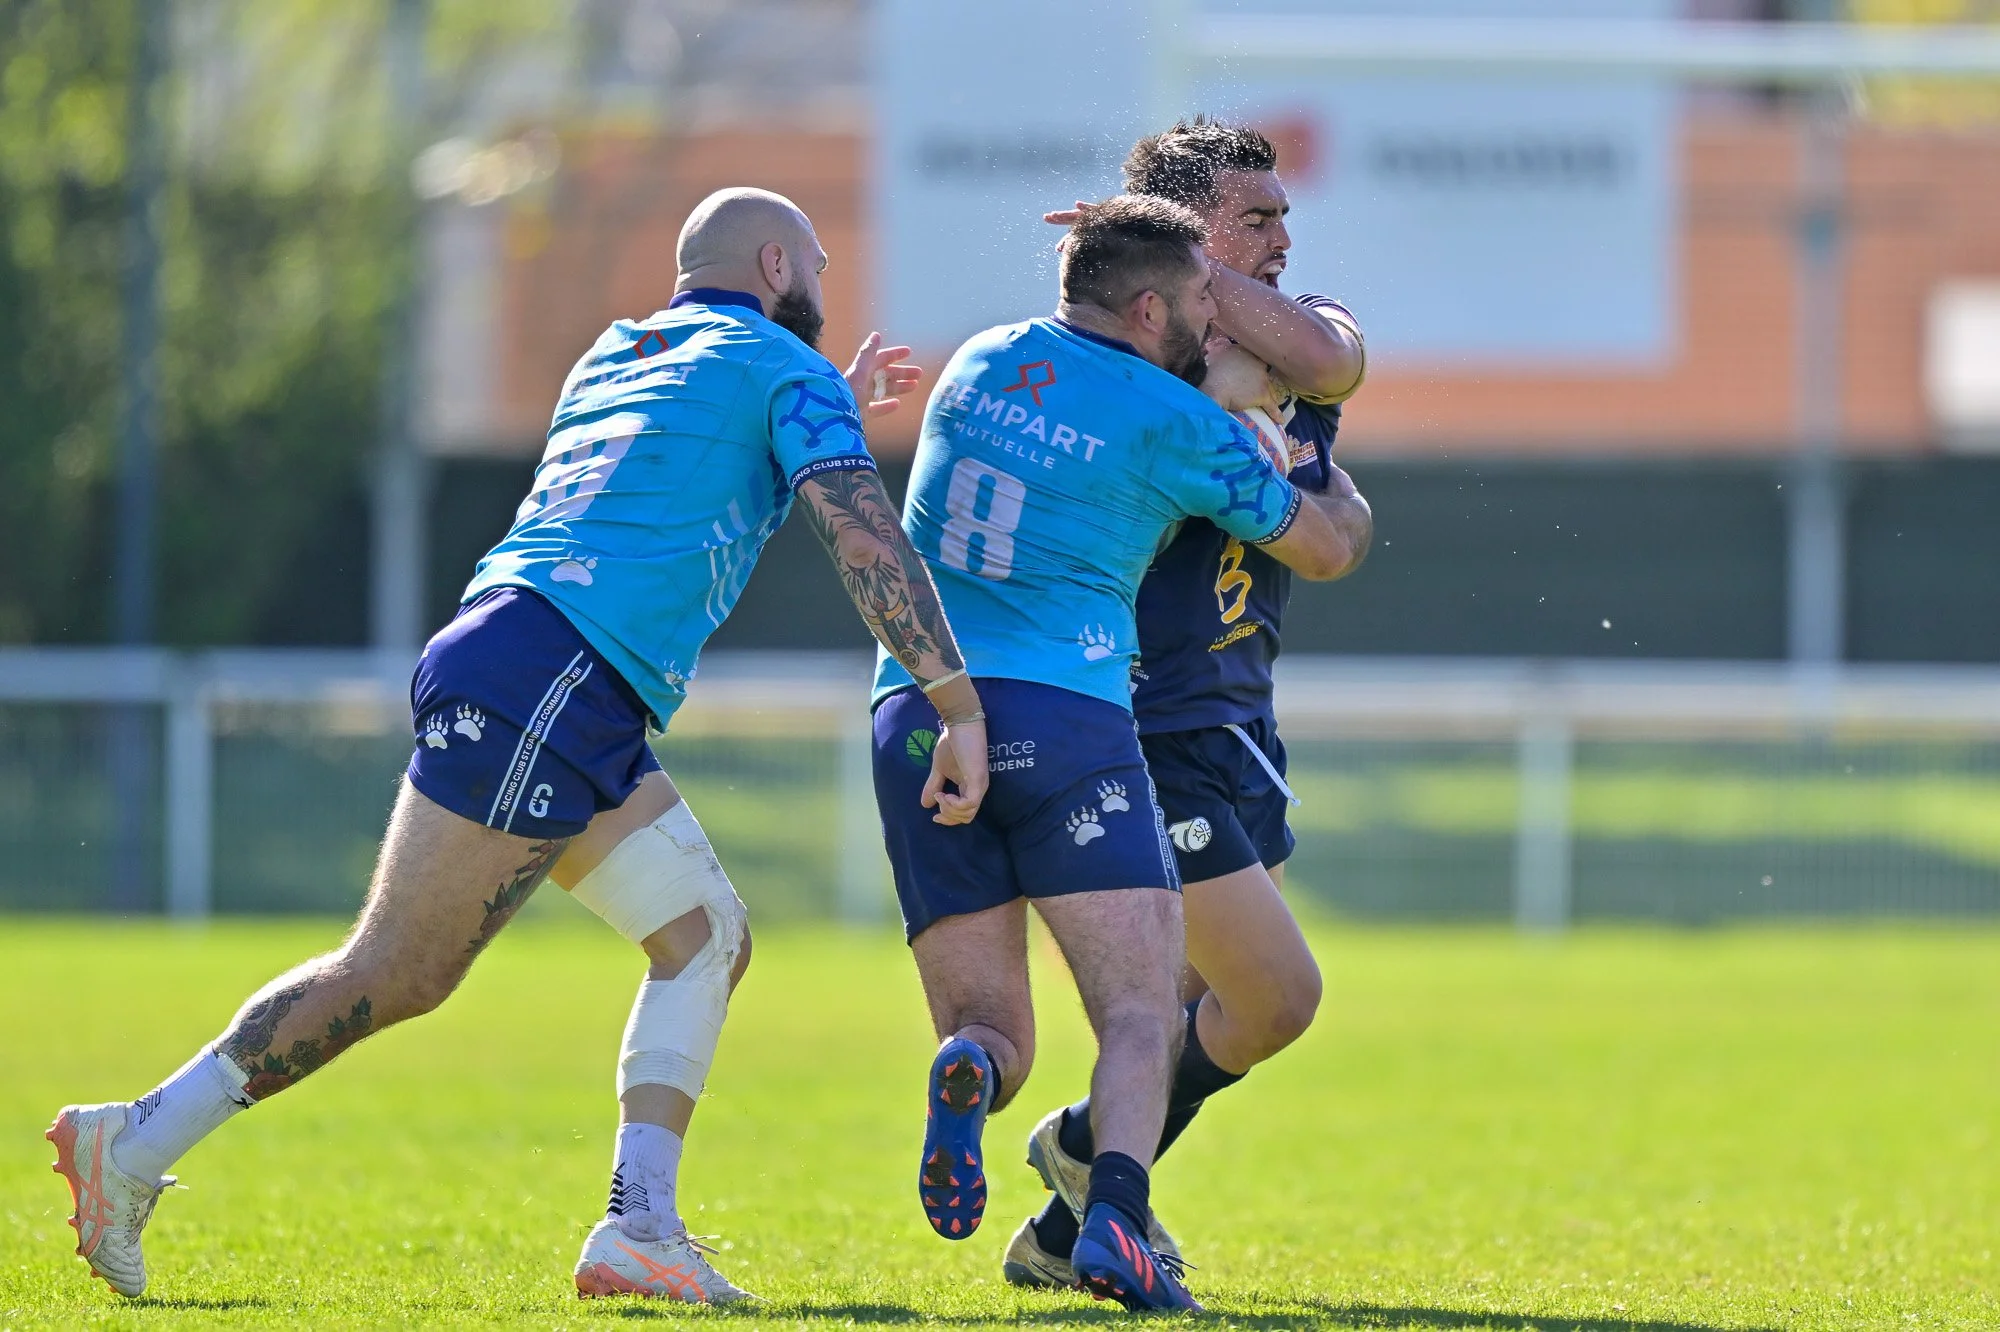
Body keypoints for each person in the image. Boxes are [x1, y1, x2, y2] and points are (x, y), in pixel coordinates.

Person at [46, 187, 988, 1304]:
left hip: (540, 662)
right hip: (555, 670)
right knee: (399, 969)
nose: (826, 294)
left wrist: (826, 396)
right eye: (820, 269)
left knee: (703, 935)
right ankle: (136, 1142)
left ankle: (638, 1228)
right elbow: (860, 529)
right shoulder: (775, 370)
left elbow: (671, 461)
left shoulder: (619, 350)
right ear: (777, 262)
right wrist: (954, 700)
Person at [870, 193, 1360, 1312]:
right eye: (1196, 300)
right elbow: (1323, 547)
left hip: (921, 716)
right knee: (1140, 1017)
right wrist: (1274, 438)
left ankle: (976, 1076)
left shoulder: (979, 358)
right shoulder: (1168, 417)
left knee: (993, 1028)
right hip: (1073, 721)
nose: (1211, 316)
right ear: (1150, 306)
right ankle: (1113, 1229)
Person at [1006, 118, 1375, 1288]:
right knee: (1274, 998)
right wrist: (1172, 286)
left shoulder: (1288, 331)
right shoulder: (1132, 358)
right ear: (1179, 240)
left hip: (1234, 721)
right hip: (1139, 724)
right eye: (1248, 219)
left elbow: (1334, 370)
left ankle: (1072, 1232)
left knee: (1183, 1015)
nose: (1276, 239)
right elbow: (1308, 505)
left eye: (1278, 218)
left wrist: (1201, 276)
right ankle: (1081, 1160)